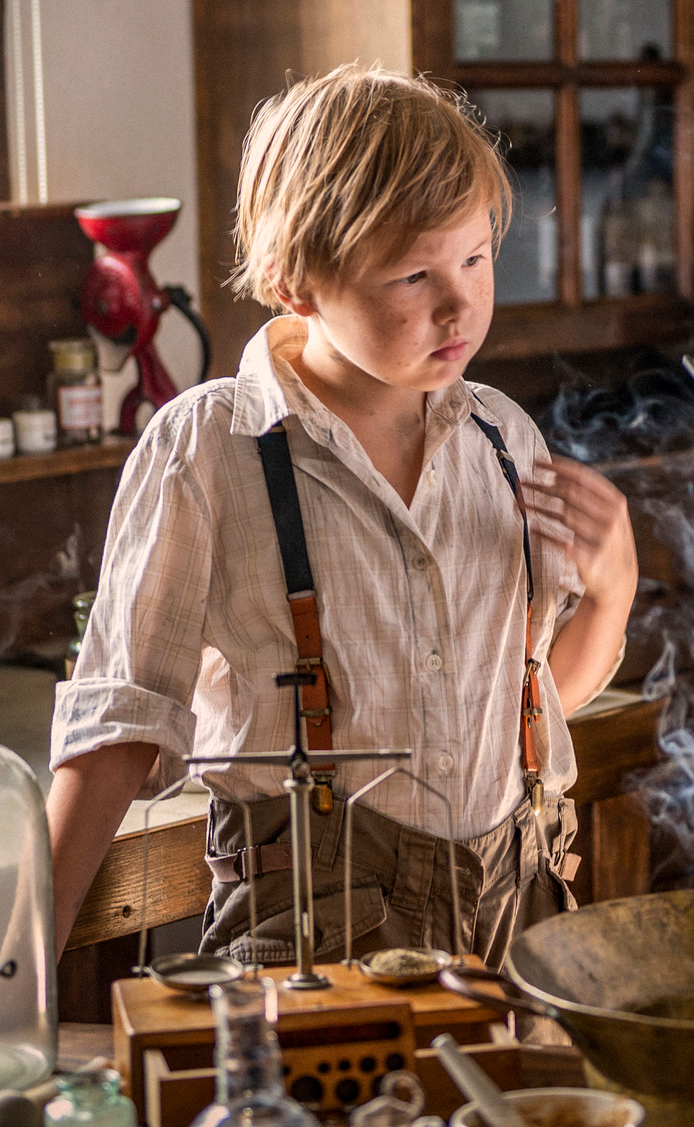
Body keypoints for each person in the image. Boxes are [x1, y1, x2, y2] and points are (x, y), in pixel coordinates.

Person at [44, 64, 638, 969]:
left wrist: (611, 593)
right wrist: (18, 979)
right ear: (296, 283)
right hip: (314, 940)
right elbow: (117, 735)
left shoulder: (503, 440)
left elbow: (529, 699)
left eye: (476, 259)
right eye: (414, 275)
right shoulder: (207, 450)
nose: (460, 304)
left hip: (518, 917)